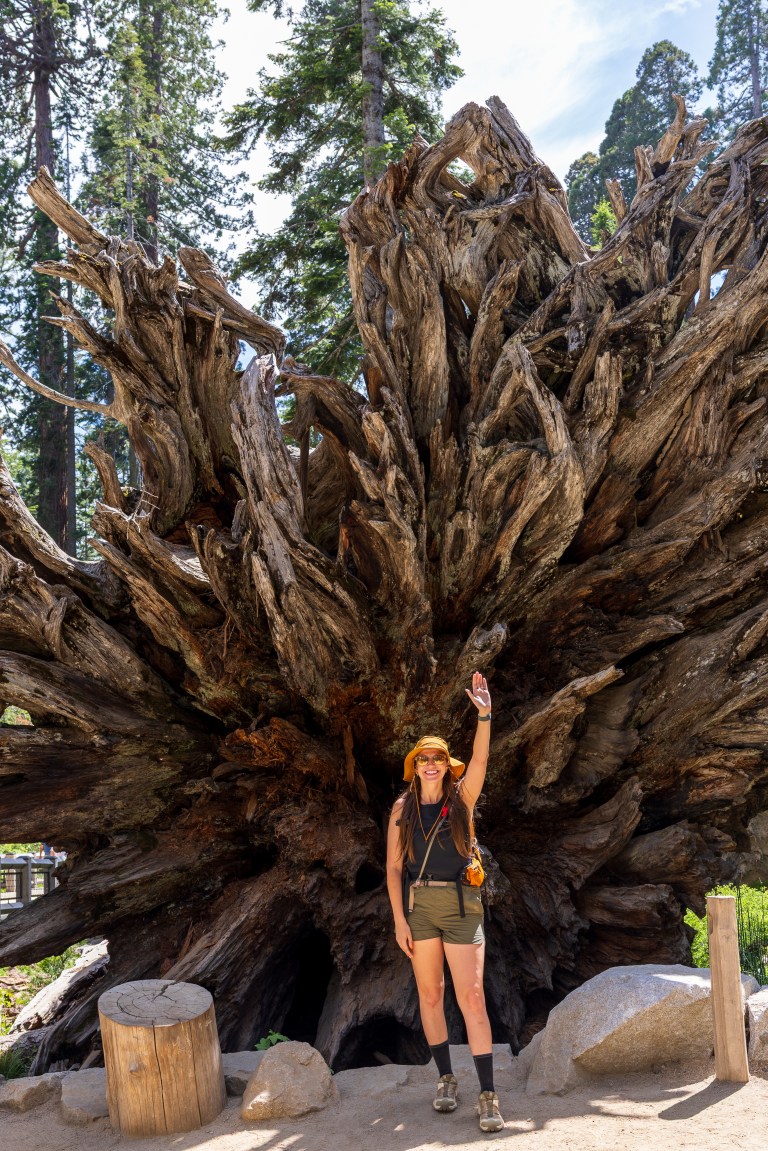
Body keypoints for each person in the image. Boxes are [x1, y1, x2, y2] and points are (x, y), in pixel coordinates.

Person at [385, 671, 503, 1133]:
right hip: (421, 908)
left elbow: (480, 756)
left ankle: (488, 1094)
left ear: (445, 765)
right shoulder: (401, 809)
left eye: (437, 758)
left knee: (472, 996)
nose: (430, 764)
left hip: (461, 906)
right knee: (430, 995)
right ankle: (446, 1079)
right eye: (423, 759)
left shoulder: (463, 799)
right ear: (415, 766)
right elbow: (394, 868)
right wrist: (399, 920)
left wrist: (485, 714)